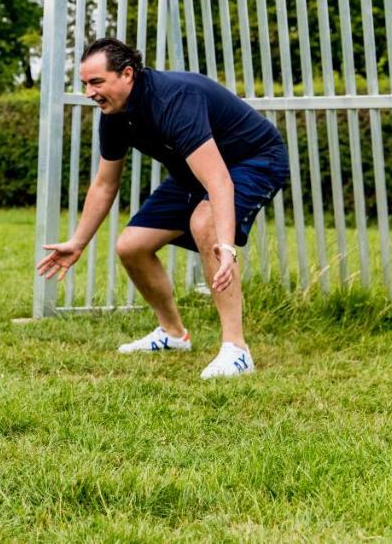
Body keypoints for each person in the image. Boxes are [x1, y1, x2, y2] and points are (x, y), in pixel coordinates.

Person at [37, 38, 289, 378]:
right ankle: (173, 334)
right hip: (195, 171)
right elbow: (105, 183)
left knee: (205, 221)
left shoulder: (173, 100)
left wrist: (226, 248)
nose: (89, 92)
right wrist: (77, 243)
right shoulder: (113, 114)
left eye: (96, 82)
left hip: (254, 160)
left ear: (127, 74)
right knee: (131, 246)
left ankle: (237, 350)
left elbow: (219, 183)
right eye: (84, 83)